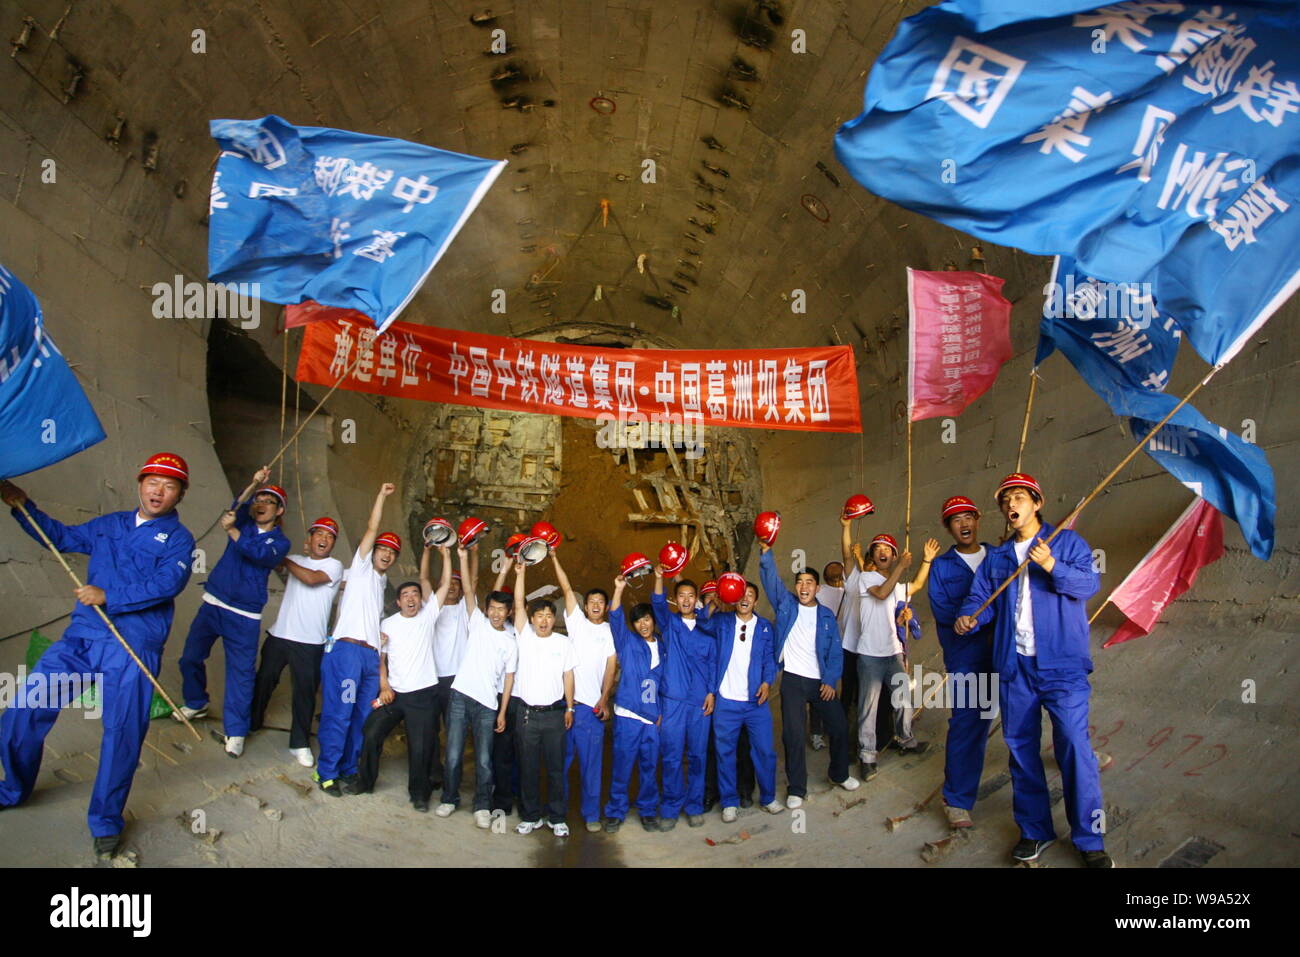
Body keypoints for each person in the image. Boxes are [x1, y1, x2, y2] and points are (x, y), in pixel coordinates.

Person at [0, 454, 196, 858]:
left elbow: (168, 583)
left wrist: (111, 596)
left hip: (133, 645)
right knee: (26, 705)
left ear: (180, 494)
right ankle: (13, 788)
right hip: (84, 636)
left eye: (169, 484)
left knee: (122, 732)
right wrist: (24, 506)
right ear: (140, 484)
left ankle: (105, 819)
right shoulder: (110, 525)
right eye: (152, 481)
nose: (158, 490)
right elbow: (63, 537)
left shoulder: (179, 540)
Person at [955, 473, 1111, 868]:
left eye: (1019, 496)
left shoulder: (1065, 542)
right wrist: (968, 616)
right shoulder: (999, 557)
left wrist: (1052, 564)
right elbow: (980, 598)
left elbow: (1087, 585)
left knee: (1075, 747)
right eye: (1006, 499)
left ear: (1036, 503)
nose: (1012, 504)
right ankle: (1034, 830)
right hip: (1015, 666)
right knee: (1021, 750)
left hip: (1062, 666)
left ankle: (1090, 839)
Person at [176, 468, 291, 757]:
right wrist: (254, 483)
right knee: (190, 656)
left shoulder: (279, 543)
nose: (261, 504)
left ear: (279, 511)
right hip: (213, 603)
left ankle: (236, 731)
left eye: (269, 501)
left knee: (240, 675)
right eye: (259, 500)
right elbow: (235, 505)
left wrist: (231, 530)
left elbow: (258, 554)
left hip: (245, 616)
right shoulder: (244, 522)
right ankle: (195, 700)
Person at [758, 540, 859, 808]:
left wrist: (829, 680)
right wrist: (766, 555)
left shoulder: (826, 616)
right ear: (797, 587)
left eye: (809, 583)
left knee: (838, 726)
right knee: (792, 734)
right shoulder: (786, 605)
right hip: (792, 680)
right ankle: (797, 789)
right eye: (800, 582)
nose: (804, 587)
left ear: (817, 588)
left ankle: (838, 774)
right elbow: (771, 582)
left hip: (819, 682)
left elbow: (835, 653)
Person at [313, 483, 397, 796]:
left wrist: (378, 634)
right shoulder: (360, 567)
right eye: (383, 550)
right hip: (346, 652)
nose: (387, 555)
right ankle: (326, 773)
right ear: (372, 552)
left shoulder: (381, 580)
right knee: (340, 712)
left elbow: (368, 613)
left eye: (392, 553)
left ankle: (348, 769)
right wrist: (381, 496)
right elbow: (372, 527)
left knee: (362, 716)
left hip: (369, 657)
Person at [356, 539, 453, 810]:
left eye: (415, 594)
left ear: (420, 600)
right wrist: (384, 686)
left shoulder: (427, 616)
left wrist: (445, 556)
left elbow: (444, 585)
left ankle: (419, 795)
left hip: (423, 695)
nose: (411, 598)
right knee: (372, 731)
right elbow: (381, 659)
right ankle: (365, 782)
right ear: (398, 602)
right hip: (394, 693)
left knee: (420, 748)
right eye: (405, 595)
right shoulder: (387, 624)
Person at [250, 517, 344, 767]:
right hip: (280, 634)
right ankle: (252, 723)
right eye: (319, 534)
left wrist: (287, 560)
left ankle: (299, 743)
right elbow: (269, 557)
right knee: (263, 681)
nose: (324, 539)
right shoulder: (295, 559)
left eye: (330, 536)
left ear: (333, 543)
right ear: (310, 539)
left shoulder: (334, 566)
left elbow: (311, 579)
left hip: (310, 642)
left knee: (305, 694)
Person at [927, 496, 997, 830]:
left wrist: (979, 617)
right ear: (948, 527)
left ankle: (1076, 760)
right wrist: (971, 616)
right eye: (956, 520)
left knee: (1033, 709)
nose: (964, 524)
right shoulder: (941, 567)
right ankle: (956, 800)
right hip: (966, 657)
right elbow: (942, 610)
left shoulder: (998, 556)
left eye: (969, 516)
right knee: (968, 725)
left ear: (978, 519)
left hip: (1004, 650)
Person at [437, 545, 516, 829]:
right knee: (454, 753)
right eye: (492, 608)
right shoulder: (478, 624)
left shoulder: (510, 640)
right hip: (460, 696)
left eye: (501, 610)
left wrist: (503, 711)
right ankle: (449, 797)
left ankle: (482, 805)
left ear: (508, 613)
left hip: (488, 704)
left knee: (483, 760)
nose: (495, 613)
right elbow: (470, 591)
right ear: (486, 610)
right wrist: (461, 556)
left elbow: (509, 678)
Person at [854, 532, 940, 780]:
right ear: (873, 555)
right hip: (869, 654)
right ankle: (867, 756)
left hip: (893, 652)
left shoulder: (895, 585)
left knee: (904, 700)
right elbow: (881, 593)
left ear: (893, 556)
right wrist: (902, 567)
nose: (883, 552)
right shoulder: (867, 577)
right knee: (868, 708)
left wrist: (926, 561)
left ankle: (905, 739)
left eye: (888, 549)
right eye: (878, 548)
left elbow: (916, 586)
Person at [696, 580, 782, 822]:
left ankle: (768, 797)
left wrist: (767, 682)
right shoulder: (722, 622)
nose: (746, 598)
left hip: (755, 703)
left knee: (765, 751)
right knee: (725, 753)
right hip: (727, 703)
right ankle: (729, 802)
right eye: (742, 594)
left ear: (756, 601)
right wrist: (713, 603)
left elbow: (769, 660)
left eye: (751, 595)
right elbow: (701, 623)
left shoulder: (765, 627)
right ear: (735, 598)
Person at [509, 558, 576, 837]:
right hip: (526, 714)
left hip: (554, 714)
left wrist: (570, 708)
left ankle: (557, 817)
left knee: (555, 769)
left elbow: (568, 677)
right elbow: (518, 600)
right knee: (528, 768)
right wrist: (521, 574)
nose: (544, 620)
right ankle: (531, 815)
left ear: (554, 619)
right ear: (532, 619)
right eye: (540, 616)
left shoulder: (563, 643)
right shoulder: (523, 636)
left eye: (549, 616)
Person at [552, 550, 615, 833]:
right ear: (584, 606)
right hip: (568, 706)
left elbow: (611, 668)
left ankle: (591, 815)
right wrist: (554, 556)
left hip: (591, 709)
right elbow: (566, 587)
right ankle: (558, 812)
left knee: (592, 766)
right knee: (560, 764)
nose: (596, 606)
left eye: (601, 602)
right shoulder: (575, 623)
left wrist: (604, 699)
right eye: (591, 602)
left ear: (605, 606)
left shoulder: (611, 632)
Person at [651, 566, 716, 829]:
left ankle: (694, 806)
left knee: (698, 755)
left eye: (691, 596)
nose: (686, 600)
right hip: (674, 700)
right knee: (671, 755)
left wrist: (711, 692)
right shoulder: (669, 623)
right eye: (682, 596)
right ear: (675, 599)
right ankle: (670, 808)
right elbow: (656, 601)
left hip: (699, 701)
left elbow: (713, 662)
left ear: (696, 599)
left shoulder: (707, 628)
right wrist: (658, 577)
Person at [602, 577, 666, 833]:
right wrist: (618, 588)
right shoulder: (627, 642)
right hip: (628, 714)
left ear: (653, 619)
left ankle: (648, 811)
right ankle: (616, 811)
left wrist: (660, 712)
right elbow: (615, 615)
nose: (643, 624)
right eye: (638, 620)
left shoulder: (664, 645)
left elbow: (665, 682)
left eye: (647, 619)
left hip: (652, 718)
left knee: (650, 767)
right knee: (622, 765)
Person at [430, 549, 475, 789]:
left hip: (456, 680)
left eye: (457, 584)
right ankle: (435, 772)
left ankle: (451, 777)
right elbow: (425, 581)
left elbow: (472, 585)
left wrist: (471, 554)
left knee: (454, 731)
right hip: (430, 678)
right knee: (431, 728)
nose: (453, 587)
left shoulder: (464, 611)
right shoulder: (432, 609)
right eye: (450, 583)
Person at [809, 560, 846, 750]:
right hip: (823, 647)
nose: (835, 571)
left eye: (839, 569)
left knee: (843, 691)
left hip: (847, 646)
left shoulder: (850, 590)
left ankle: (839, 729)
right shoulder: (820, 591)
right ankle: (816, 732)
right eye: (831, 568)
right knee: (821, 689)